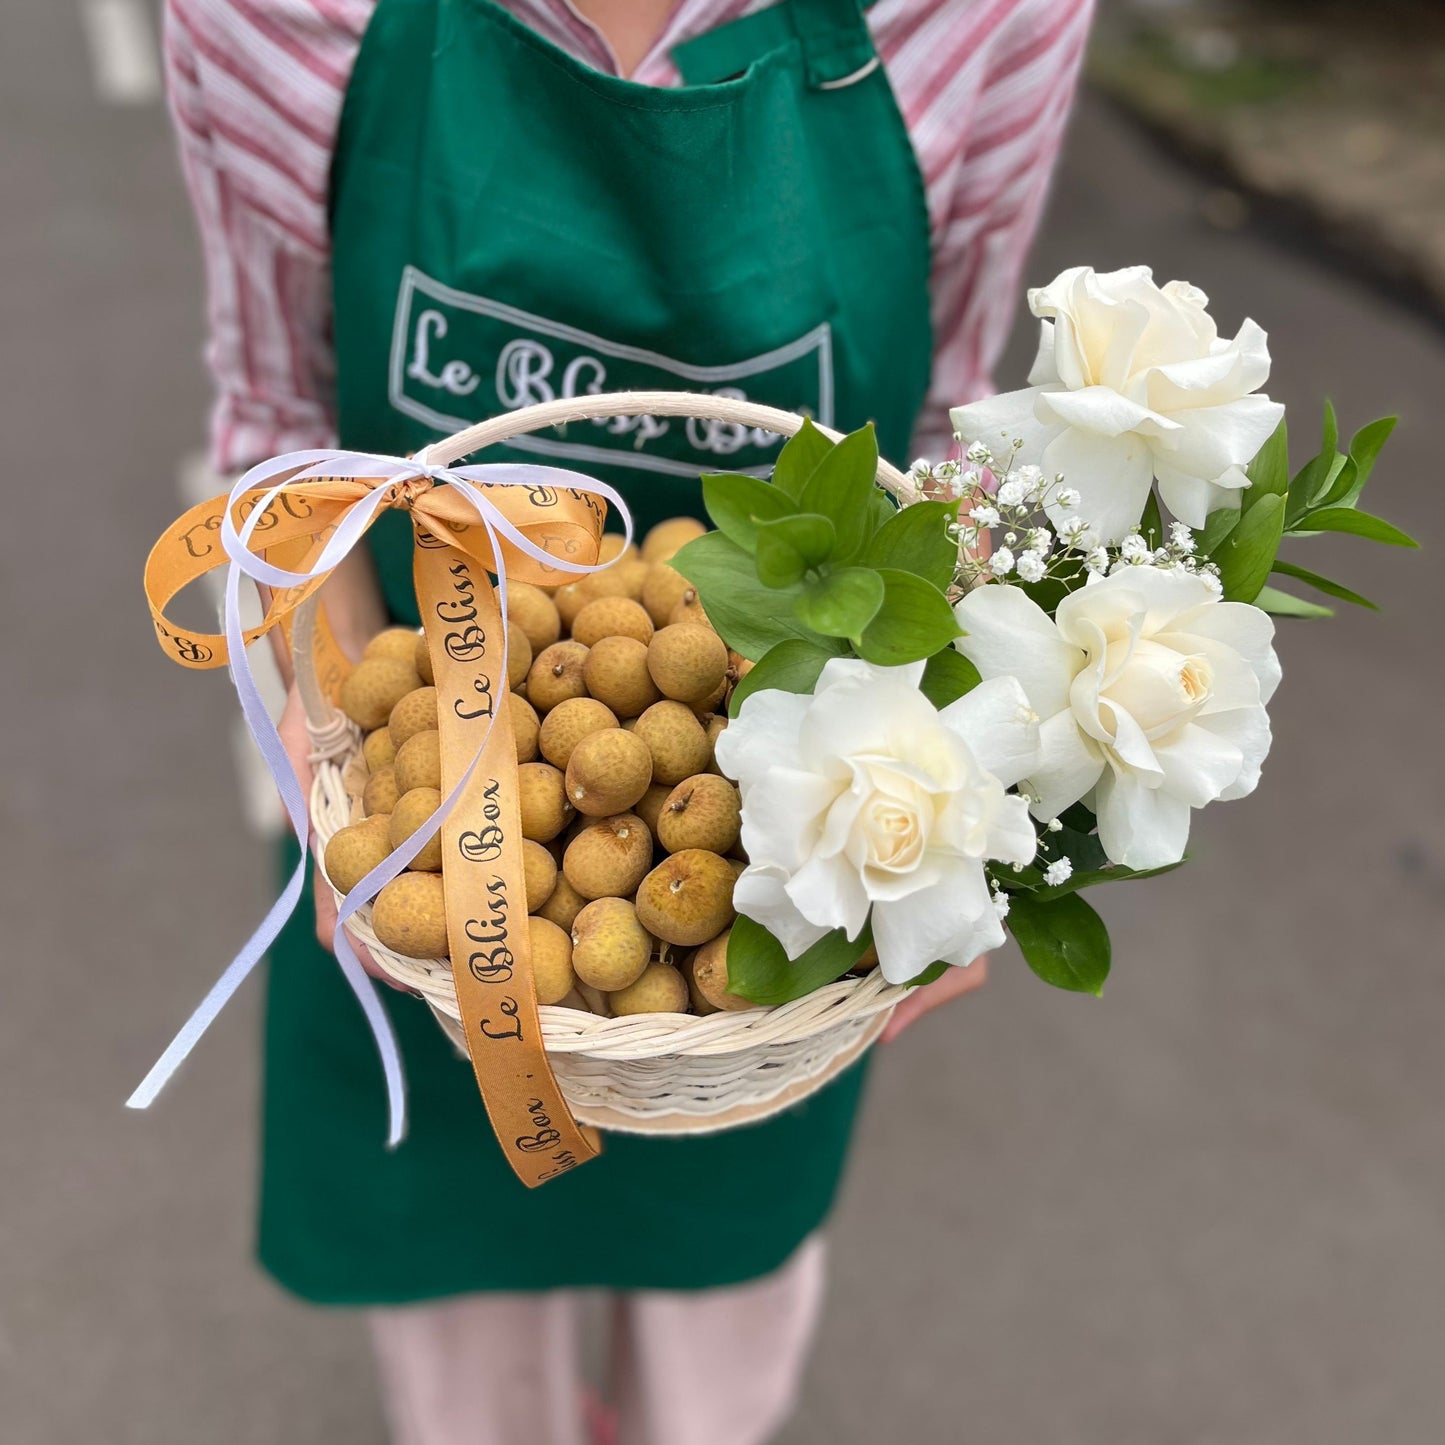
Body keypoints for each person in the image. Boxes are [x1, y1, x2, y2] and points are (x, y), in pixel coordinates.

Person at [162, 1, 1094, 1441]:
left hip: (782, 910)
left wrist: (977, 809)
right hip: (423, 848)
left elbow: (948, 441)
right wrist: (333, 741)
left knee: (712, 1366)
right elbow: (284, 434)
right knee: (464, 1374)